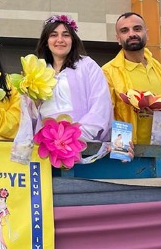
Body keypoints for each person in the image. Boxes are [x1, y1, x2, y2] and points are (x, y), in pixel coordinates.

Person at [12, 15, 112, 160]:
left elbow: (101, 105)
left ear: (73, 40)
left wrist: (76, 136)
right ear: (46, 41)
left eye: (65, 35)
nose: (60, 40)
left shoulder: (88, 66)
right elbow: (29, 116)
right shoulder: (38, 69)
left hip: (83, 143)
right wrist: (34, 101)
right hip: (47, 145)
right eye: (54, 35)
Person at [102, 12, 161, 144]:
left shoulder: (157, 66)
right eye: (124, 30)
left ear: (146, 33)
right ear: (118, 38)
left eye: (137, 29)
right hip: (127, 154)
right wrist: (122, 149)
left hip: (159, 151)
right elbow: (106, 117)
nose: (132, 34)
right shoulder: (107, 72)